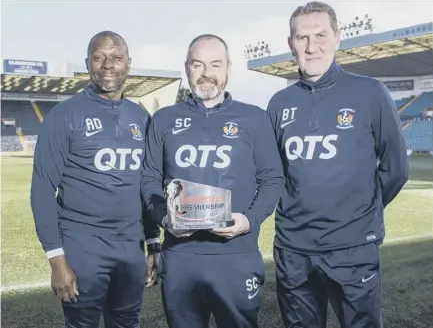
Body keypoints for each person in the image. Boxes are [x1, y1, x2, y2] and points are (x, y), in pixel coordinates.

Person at [266, 2, 409, 328]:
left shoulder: (371, 93)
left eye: (320, 35)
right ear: (291, 44)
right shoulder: (279, 104)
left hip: (352, 249)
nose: (311, 46)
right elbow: (274, 175)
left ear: (338, 37)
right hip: (293, 250)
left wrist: (360, 211)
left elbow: (396, 169)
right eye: (302, 37)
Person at [141, 34, 284, 328]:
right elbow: (149, 180)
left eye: (215, 64)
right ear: (187, 68)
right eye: (198, 64)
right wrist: (163, 219)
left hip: (237, 257)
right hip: (180, 258)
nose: (206, 73)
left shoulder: (255, 119)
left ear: (228, 67)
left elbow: (272, 179)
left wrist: (251, 219)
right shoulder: (164, 119)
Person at [30, 30, 160, 328]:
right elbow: (41, 190)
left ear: (129, 63)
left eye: (116, 58)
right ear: (87, 63)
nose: (107, 65)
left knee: (128, 323)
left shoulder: (141, 119)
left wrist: (153, 243)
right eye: (99, 57)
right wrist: (56, 260)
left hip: (130, 247)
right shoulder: (64, 115)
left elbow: (147, 186)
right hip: (83, 247)